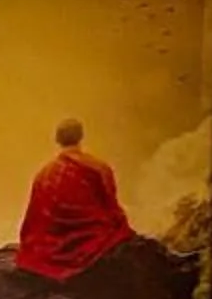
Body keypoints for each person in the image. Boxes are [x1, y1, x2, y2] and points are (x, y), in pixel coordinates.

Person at [14, 118, 136, 282]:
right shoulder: (98, 167)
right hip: (92, 238)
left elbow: (34, 219)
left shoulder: (44, 174)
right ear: (81, 136)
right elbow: (111, 206)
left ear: (57, 139)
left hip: (48, 247)